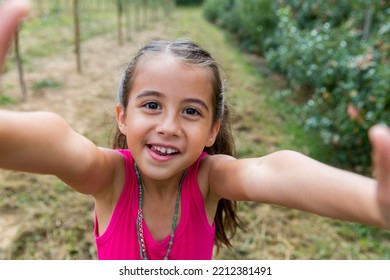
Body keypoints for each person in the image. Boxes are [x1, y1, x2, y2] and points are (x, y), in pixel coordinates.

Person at [1, 0, 390, 260]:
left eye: (190, 111)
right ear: (122, 116)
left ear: (211, 130)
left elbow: (272, 172)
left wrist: (371, 201)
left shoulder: (209, 178)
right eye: (151, 105)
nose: (168, 127)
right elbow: (56, 142)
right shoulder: (109, 177)